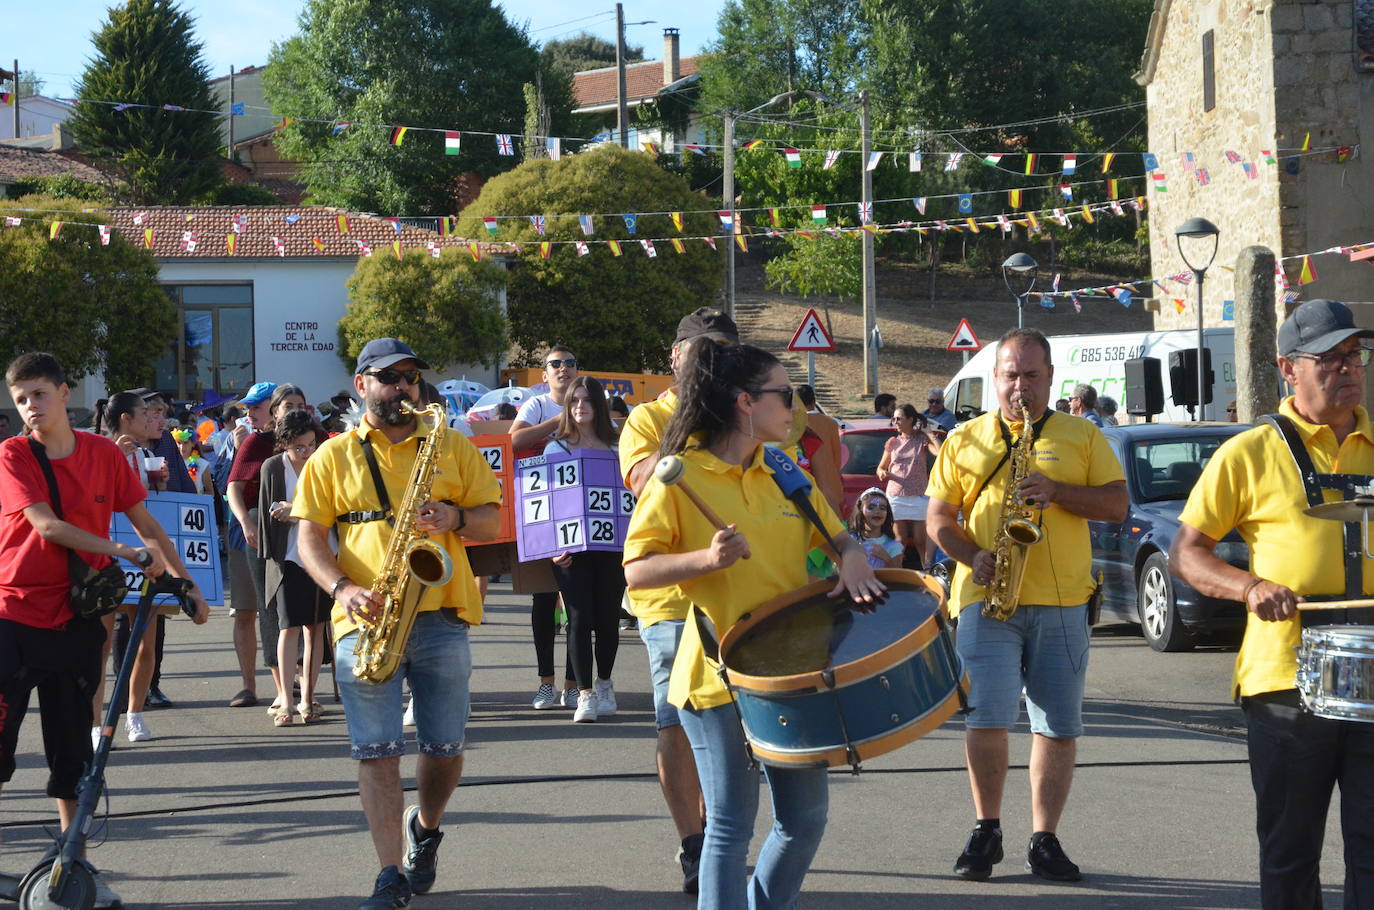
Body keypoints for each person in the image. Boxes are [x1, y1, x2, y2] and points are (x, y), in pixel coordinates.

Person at [624, 341, 885, 909]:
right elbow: (637, 569)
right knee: (729, 825)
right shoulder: (682, 477)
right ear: (745, 402)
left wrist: (852, 553)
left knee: (804, 820)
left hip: (791, 674)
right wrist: (705, 561)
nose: (795, 407)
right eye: (783, 395)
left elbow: (833, 533)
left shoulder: (783, 467)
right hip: (716, 677)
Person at [1170, 299, 1374, 908]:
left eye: (1355, 356)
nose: (1349, 368)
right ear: (1289, 368)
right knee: (1290, 851)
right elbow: (1188, 553)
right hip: (1286, 681)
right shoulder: (1249, 451)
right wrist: (1250, 588)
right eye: (1331, 358)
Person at [293, 337, 501, 909]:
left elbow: (490, 521)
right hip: (366, 616)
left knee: (444, 745)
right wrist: (342, 587)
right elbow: (309, 536)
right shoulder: (332, 456)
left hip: (441, 613)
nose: (403, 387)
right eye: (390, 378)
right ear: (362, 385)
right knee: (377, 750)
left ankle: (425, 827)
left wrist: (456, 516)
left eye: (411, 378)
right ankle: (389, 876)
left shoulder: (450, 444)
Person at [0, 353, 209, 909]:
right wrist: (121, 552)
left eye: (39, 394)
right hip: (13, 618)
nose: (30, 407)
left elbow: (147, 523)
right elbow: (47, 526)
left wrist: (187, 585)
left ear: (65, 393)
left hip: (78, 620)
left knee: (72, 755)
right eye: (21, 399)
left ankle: (76, 867)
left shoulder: (101, 455)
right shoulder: (14, 454)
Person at [926, 328, 1127, 884]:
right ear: (995, 379)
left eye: (1032, 376)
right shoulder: (964, 438)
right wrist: (972, 554)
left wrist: (1058, 492)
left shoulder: (1081, 435)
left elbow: (1115, 505)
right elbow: (938, 520)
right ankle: (985, 829)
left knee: (1058, 726)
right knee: (987, 716)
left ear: (1050, 379)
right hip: (987, 600)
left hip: (1063, 603)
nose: (1021, 387)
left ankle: (1044, 838)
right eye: (1011, 375)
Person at [619, 306, 739, 892]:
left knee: (736, 721)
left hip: (739, 592)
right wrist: (693, 413)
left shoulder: (741, 412)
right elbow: (645, 481)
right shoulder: (647, 416)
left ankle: (723, 829)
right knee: (678, 719)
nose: (711, 362)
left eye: (722, 351)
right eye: (701, 351)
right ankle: (694, 840)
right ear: (676, 357)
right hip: (668, 596)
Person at [228, 382, 311, 715]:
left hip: (305, 528)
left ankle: (306, 689)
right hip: (263, 530)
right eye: (287, 405)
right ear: (275, 411)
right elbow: (234, 486)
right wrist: (247, 524)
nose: (293, 411)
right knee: (270, 610)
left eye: (299, 405)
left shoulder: (315, 440)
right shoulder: (258, 443)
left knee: (308, 613)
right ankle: (278, 688)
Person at [547, 376, 625, 723]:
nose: (581, 406)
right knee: (578, 619)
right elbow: (541, 506)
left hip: (612, 548)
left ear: (599, 406)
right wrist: (550, 547)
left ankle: (605, 683)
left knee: (608, 618)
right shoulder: (555, 449)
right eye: (575, 400)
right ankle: (585, 694)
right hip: (569, 550)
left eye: (588, 400)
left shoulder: (618, 450)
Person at [511, 348, 579, 709]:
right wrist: (557, 423)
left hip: (578, 511)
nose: (563, 369)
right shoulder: (536, 405)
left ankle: (572, 683)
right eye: (555, 364)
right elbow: (513, 440)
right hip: (541, 511)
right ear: (544, 374)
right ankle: (545, 683)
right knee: (543, 598)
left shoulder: (588, 401)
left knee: (576, 602)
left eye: (569, 364)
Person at [259, 409, 330, 727]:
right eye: (299, 447)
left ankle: (308, 697)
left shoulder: (323, 463)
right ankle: (285, 697)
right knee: (287, 626)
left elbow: (333, 507)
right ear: (283, 444)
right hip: (286, 556)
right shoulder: (273, 468)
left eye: (311, 444)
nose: (306, 451)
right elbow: (265, 516)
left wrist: (296, 510)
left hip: (321, 555)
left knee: (315, 628)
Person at [876, 404, 942, 569]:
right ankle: (897, 573)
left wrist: (929, 433)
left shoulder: (921, 440)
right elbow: (881, 467)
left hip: (919, 495)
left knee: (921, 540)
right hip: (896, 495)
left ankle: (927, 571)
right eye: (894, 418)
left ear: (911, 419)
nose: (895, 422)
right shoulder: (892, 442)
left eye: (899, 418)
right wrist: (882, 473)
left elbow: (941, 453)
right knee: (900, 539)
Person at [795, 384, 843, 513]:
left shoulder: (794, 423)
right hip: (832, 487)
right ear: (814, 401)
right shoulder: (831, 423)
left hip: (806, 487)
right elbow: (837, 458)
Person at [849, 487, 904, 568]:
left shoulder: (893, 546)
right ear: (860, 510)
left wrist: (886, 558)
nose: (877, 511)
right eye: (871, 507)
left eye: (882, 508)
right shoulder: (850, 540)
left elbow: (899, 576)